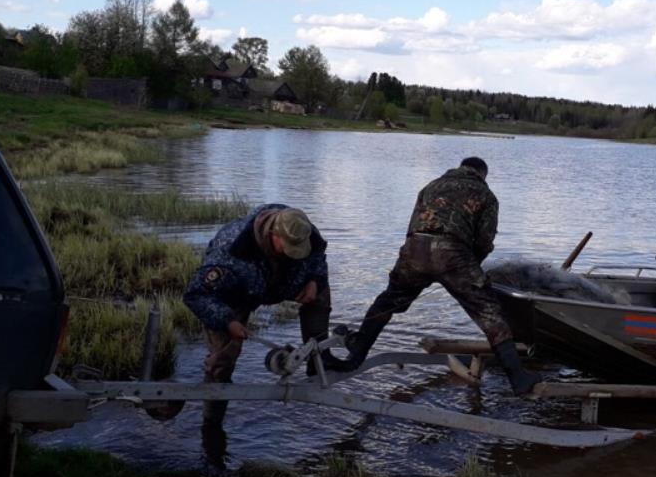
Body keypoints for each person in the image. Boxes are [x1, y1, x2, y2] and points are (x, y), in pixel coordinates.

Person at [328, 157, 541, 396]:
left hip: (415, 249)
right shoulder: (485, 195)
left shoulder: (431, 186)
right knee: (489, 313)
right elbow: (484, 241)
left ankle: (356, 354)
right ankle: (518, 378)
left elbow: (413, 226)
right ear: (482, 174)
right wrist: (471, 268)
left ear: (460, 168)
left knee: (388, 301)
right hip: (453, 254)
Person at [155, 205, 333, 426]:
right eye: (288, 247)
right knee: (221, 362)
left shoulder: (303, 230)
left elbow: (317, 258)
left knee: (321, 293)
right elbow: (196, 295)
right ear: (272, 234)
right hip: (234, 295)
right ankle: (212, 425)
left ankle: (318, 357)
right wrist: (227, 320)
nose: (294, 252)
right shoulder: (230, 251)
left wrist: (316, 280)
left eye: (298, 248)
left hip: (282, 285)